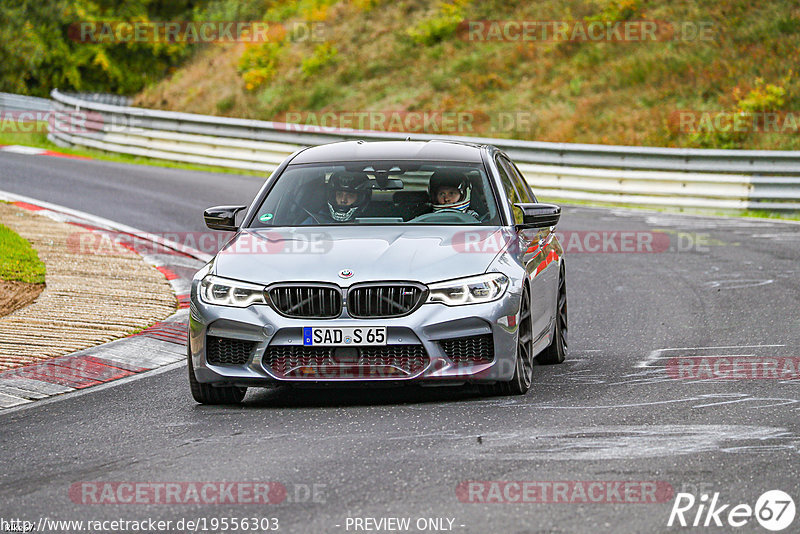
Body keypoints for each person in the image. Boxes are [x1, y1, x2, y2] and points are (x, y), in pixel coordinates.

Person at [303, 171, 372, 223]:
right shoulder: (315, 221)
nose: (343, 200)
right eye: (339, 194)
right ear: (332, 196)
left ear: (361, 198)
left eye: (350, 195)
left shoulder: (372, 223)